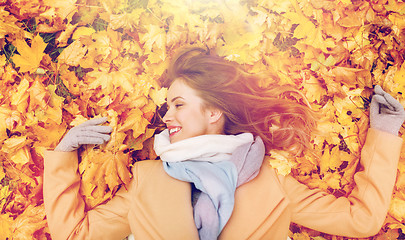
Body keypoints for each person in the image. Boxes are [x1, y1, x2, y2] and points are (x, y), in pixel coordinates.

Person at [43, 47, 405, 240]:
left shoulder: (272, 183)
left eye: (179, 105)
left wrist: (385, 132)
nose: (166, 116)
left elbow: (362, 220)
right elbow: (77, 235)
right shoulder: (147, 181)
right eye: (167, 106)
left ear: (214, 112)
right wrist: (62, 157)